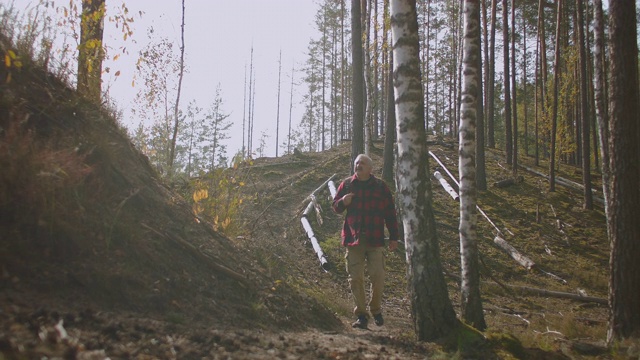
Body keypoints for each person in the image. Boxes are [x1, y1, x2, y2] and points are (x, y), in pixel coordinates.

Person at [332, 154, 399, 329]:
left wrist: (394, 236)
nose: (358, 165)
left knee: (378, 275)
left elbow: (390, 213)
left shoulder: (380, 187)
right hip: (353, 239)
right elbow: (335, 207)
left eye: (362, 163)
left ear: (370, 168)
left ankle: (375, 309)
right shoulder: (346, 184)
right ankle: (361, 315)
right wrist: (343, 201)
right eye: (356, 163)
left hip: (375, 239)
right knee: (355, 278)